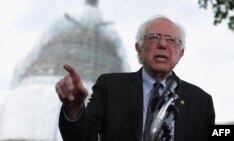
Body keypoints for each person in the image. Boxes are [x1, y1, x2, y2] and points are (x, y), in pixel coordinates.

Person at [55, 15, 215, 141]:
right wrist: (74, 109)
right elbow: (81, 137)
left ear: (181, 53)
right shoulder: (109, 87)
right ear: (139, 48)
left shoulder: (201, 101)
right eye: (154, 37)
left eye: (171, 40)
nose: (162, 44)